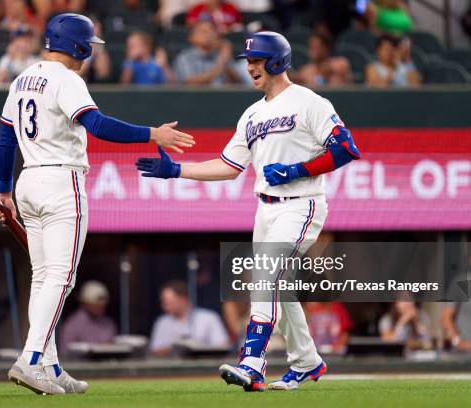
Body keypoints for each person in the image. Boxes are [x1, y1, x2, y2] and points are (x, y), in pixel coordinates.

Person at [136, 31, 361, 391]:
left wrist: (298, 170)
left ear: (276, 61)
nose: (251, 67)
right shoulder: (252, 113)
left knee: (265, 276)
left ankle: (253, 360)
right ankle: (307, 362)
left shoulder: (309, 101)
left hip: (301, 203)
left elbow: (346, 148)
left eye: (256, 60)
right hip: (266, 208)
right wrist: (178, 171)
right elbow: (229, 166)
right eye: (249, 61)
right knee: (279, 289)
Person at [0, 13, 194, 395]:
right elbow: (98, 126)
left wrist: (4, 191)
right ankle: (30, 359)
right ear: (79, 46)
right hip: (61, 180)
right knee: (61, 277)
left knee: (43, 277)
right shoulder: (67, 79)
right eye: (89, 45)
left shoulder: (21, 77)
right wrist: (154, 134)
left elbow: (5, 139)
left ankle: (49, 364)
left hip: (28, 179)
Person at [150, 280, 229, 356]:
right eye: (164, 303)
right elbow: (155, 351)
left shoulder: (209, 318)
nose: (164, 307)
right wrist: (177, 348)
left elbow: (223, 346)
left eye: (168, 302)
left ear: (182, 299)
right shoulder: (162, 322)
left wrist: (198, 349)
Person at [58, 281, 117, 354]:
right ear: (84, 303)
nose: (100, 306)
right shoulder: (72, 326)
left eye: (103, 303)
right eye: (96, 303)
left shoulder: (109, 324)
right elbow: (65, 354)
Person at [173, 20, 237, 85]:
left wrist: (225, 61)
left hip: (221, 94)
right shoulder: (185, 57)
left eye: (212, 31)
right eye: (203, 32)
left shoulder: (220, 55)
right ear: (191, 38)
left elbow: (238, 83)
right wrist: (220, 66)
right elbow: (190, 83)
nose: (209, 34)